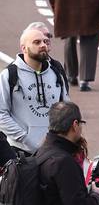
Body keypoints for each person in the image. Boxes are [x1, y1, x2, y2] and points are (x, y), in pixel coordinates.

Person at [1, 26, 70, 174]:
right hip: (20, 152)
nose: (43, 45)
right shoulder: (9, 75)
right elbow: (1, 114)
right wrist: (26, 138)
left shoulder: (56, 72)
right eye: (37, 42)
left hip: (54, 151)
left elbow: (66, 109)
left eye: (45, 41)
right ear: (24, 48)